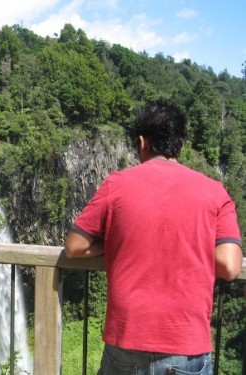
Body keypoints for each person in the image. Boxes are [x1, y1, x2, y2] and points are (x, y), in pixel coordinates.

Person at [64, 98, 243, 375]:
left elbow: (75, 247)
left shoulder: (117, 184)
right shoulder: (215, 191)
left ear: (142, 142)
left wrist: (116, 242)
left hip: (126, 342)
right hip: (186, 345)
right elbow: (230, 266)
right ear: (179, 144)